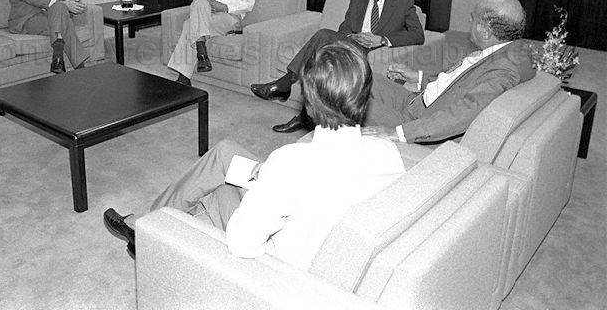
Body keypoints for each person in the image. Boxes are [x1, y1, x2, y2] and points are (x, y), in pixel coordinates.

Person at [104, 41, 405, 267]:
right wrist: (266, 178)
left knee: (218, 188)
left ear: (309, 104)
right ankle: (153, 229)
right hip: (314, 228)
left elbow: (243, 243)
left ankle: (149, 230)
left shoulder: (289, 162)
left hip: (279, 265)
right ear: (364, 97)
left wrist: (265, 183)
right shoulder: (388, 154)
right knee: (225, 154)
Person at [251, 0, 424, 133]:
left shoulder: (404, 1)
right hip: (350, 47)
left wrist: (382, 40)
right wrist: (353, 37)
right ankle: (305, 116)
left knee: (323, 35)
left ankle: (286, 84)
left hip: (373, 53)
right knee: (322, 61)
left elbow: (418, 34)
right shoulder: (358, 0)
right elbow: (344, 30)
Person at [362, 0, 536, 144]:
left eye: (473, 18)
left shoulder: (504, 70)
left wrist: (398, 133)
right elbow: (458, 84)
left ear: (485, 31)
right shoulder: (507, 51)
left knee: (344, 101)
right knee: (357, 75)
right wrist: (418, 77)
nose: (470, 21)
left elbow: (464, 113)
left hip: (415, 122)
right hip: (416, 101)